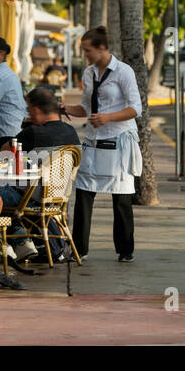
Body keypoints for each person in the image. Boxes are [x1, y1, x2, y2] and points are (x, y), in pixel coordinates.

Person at [62, 27, 142, 263]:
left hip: (118, 140)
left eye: (88, 50)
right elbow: (86, 108)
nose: (85, 54)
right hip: (94, 140)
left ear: (101, 48)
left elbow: (136, 108)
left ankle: (125, 250)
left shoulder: (123, 72)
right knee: (84, 192)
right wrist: (66, 108)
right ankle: (80, 248)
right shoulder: (88, 74)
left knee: (121, 197)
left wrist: (108, 117)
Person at [0, 86, 80, 261]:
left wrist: (24, 131)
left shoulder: (33, 133)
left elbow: (4, 152)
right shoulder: (72, 132)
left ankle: (15, 242)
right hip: (58, 197)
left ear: (35, 110)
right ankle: (22, 242)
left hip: (31, 196)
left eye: (29, 110)